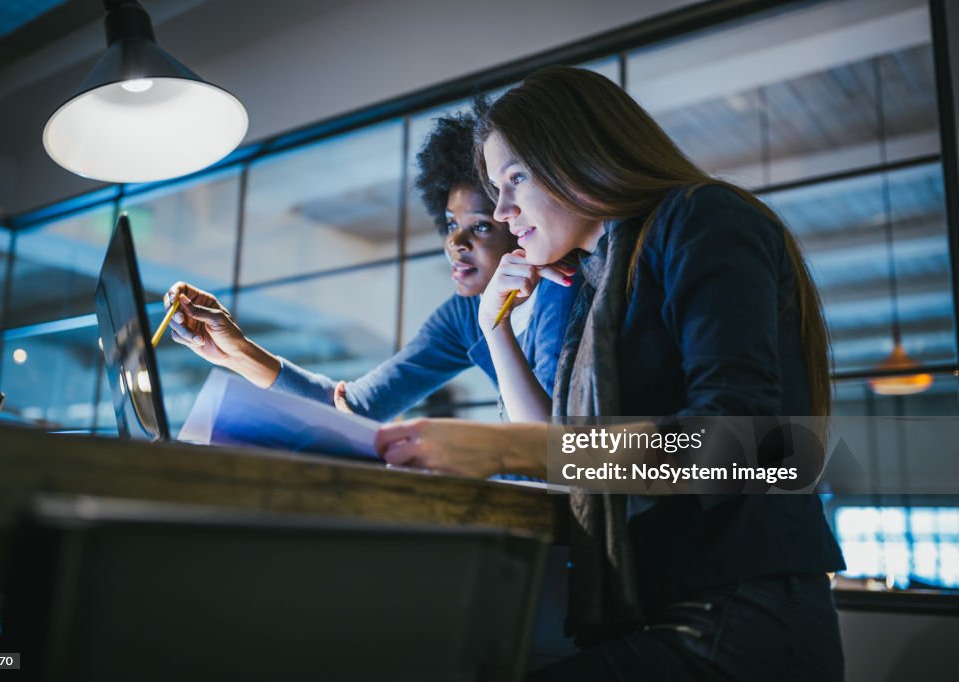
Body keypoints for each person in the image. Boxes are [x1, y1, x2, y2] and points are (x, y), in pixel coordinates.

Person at [372, 66, 846, 681]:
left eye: (515, 178)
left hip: (737, 610)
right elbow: (564, 454)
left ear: (579, 153)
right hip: (665, 606)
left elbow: (746, 445)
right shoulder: (596, 277)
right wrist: (495, 330)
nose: (505, 209)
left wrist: (501, 447)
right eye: (497, 187)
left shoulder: (702, 218)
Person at [165, 109, 578, 422]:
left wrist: (473, 453)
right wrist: (234, 351)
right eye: (451, 224)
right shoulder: (467, 314)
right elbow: (355, 408)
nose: (455, 242)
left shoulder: (569, 290)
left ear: (516, 221)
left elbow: (592, 456)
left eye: (481, 227)